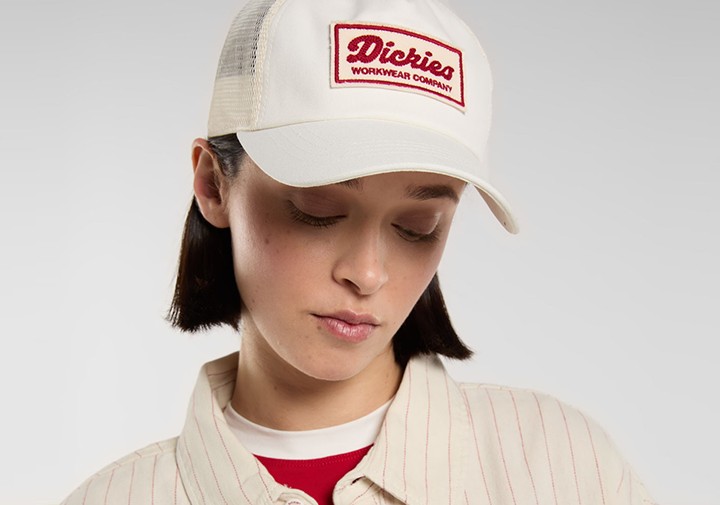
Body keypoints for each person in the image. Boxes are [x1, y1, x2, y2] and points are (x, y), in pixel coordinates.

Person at [61, 0, 654, 504]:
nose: (367, 274)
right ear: (214, 185)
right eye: (318, 210)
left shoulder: (564, 469)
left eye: (418, 226)